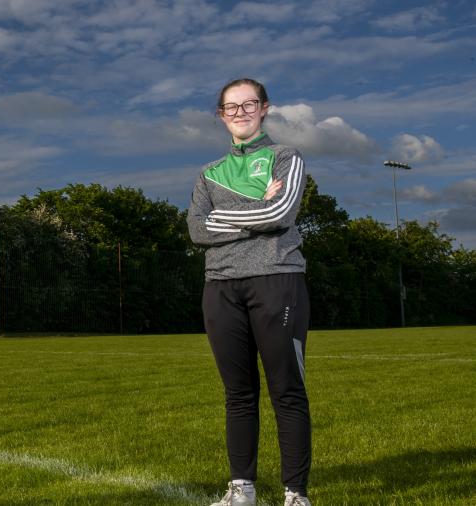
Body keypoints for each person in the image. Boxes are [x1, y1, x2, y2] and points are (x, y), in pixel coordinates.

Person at [187, 78, 312, 506]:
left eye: (248, 105)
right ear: (221, 116)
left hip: (277, 279)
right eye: (230, 107)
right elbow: (197, 230)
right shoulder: (208, 173)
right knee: (238, 393)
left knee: (286, 389)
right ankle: (242, 489)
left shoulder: (285, 157)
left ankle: (295, 493)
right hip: (220, 287)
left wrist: (235, 216)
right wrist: (257, 210)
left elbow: (282, 212)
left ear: (264, 108)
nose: (240, 113)